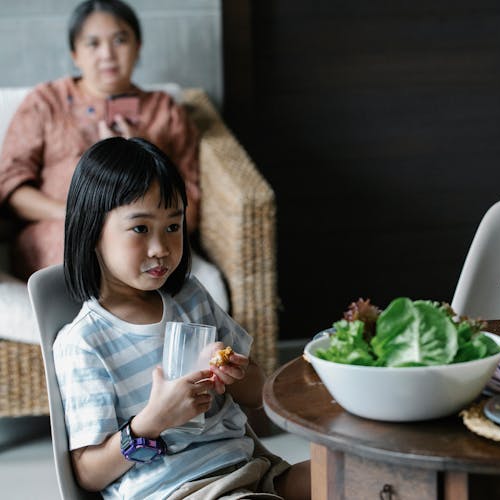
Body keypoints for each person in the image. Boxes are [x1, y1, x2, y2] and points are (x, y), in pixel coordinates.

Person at [54, 137, 310, 500]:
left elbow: (257, 394)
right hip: (177, 491)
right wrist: (153, 421)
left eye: (173, 227)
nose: (161, 248)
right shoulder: (84, 342)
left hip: (250, 470)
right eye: (140, 229)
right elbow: (88, 473)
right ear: (92, 231)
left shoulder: (190, 297)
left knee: (351, 476)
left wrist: (234, 373)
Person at [0, 0, 227, 309]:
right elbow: (11, 184)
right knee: (78, 248)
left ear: (138, 46)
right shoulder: (46, 102)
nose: (107, 54)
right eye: (93, 43)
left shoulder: (163, 109)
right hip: (58, 227)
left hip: (144, 230)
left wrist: (138, 154)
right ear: (75, 54)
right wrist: (75, 214)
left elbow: (188, 201)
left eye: (120, 40)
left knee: (133, 245)